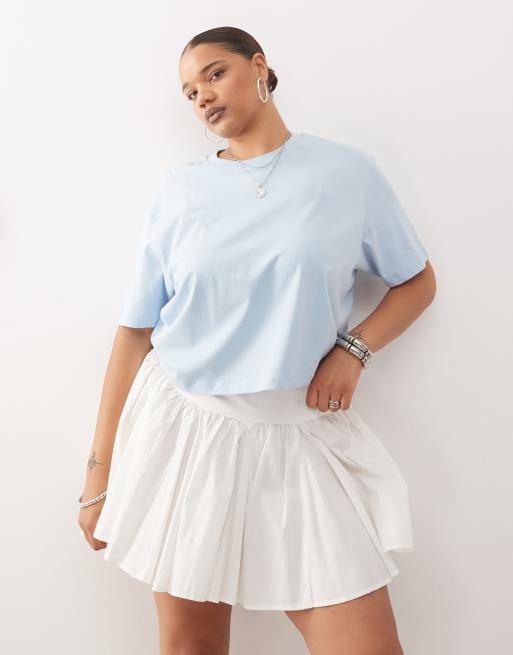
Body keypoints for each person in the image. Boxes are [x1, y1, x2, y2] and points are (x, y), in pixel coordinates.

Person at [78, 25, 436, 655]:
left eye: (214, 74)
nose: (203, 97)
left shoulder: (347, 174)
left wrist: (353, 351)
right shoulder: (180, 191)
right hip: (189, 433)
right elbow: (135, 333)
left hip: (297, 437)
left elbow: (417, 282)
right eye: (190, 92)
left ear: (260, 67)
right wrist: (98, 475)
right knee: (191, 647)